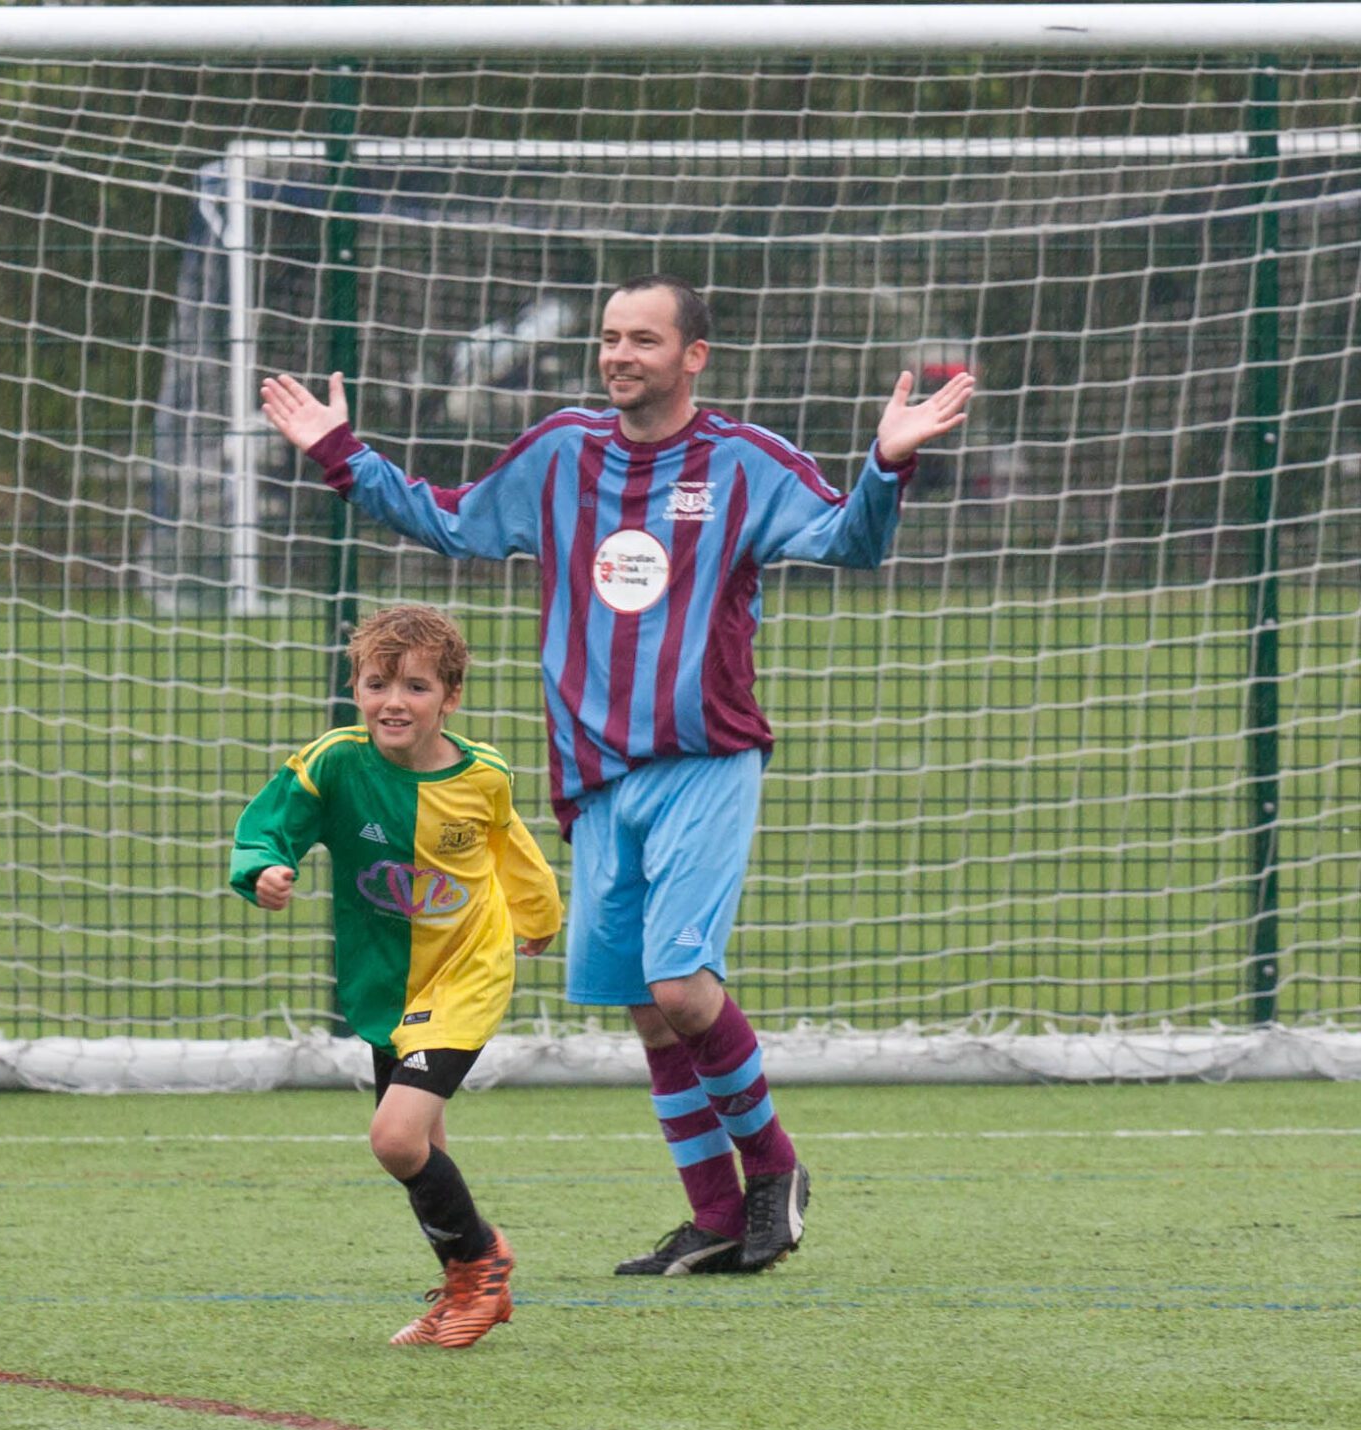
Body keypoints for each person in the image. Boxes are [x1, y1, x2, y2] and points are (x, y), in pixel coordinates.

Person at [260, 275, 973, 1277]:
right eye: (609, 338)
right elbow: (451, 521)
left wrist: (886, 463)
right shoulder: (560, 452)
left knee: (681, 983)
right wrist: (342, 453)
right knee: (646, 1002)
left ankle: (775, 1170)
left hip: (703, 759)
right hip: (594, 776)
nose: (619, 355)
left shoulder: (744, 462)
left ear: (693, 356)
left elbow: (847, 540)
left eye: (644, 339)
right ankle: (715, 1215)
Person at [231, 604, 562, 1349]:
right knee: (423, 1146)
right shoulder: (334, 762)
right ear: (355, 688)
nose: (393, 702)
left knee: (394, 1138)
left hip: (468, 973)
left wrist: (538, 915)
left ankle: (483, 1262)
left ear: (450, 698)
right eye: (377, 684)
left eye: (416, 686)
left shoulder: (483, 775)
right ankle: (463, 1284)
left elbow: (512, 847)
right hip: (388, 980)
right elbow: (268, 825)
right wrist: (263, 870)